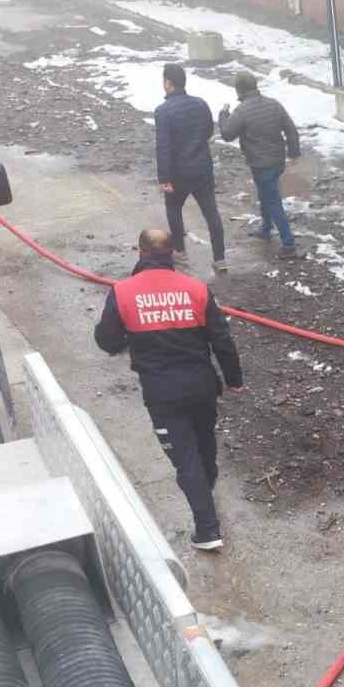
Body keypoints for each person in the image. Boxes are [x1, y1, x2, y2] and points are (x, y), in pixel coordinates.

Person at [94, 227, 243, 552]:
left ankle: (208, 530)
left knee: (184, 459)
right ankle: (206, 488)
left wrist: (125, 339)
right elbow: (221, 338)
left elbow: (106, 340)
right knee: (204, 445)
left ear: (140, 252)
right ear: (172, 253)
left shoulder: (123, 292)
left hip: (162, 393)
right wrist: (234, 379)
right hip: (202, 385)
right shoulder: (196, 289)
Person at [218, 71, 302, 258]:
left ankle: (289, 244)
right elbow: (291, 130)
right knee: (266, 194)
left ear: (239, 89)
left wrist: (223, 115)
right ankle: (265, 228)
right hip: (277, 161)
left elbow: (227, 134)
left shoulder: (241, 111)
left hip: (261, 164)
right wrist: (294, 153)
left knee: (272, 201)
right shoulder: (274, 105)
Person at [155, 63, 227, 274]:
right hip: (202, 168)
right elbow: (207, 131)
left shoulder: (163, 111)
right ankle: (220, 258)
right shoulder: (200, 104)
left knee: (174, 209)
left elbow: (163, 146)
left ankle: (179, 251)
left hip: (178, 173)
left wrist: (164, 178)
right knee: (211, 211)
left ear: (168, 83)